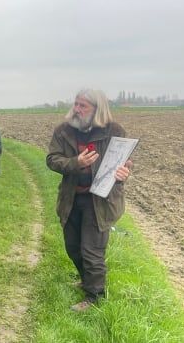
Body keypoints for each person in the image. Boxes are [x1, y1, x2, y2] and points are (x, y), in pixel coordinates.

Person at [46, 88, 133, 312]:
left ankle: (95, 297)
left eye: (83, 106)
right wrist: (76, 162)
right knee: (73, 246)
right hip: (71, 197)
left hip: (100, 201)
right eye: (76, 103)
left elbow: (123, 163)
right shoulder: (63, 130)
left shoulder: (114, 130)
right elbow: (52, 160)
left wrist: (124, 173)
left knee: (92, 250)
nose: (77, 109)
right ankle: (87, 280)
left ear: (97, 109)